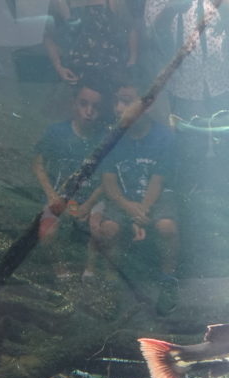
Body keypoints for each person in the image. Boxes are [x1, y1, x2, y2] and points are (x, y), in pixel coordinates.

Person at [145, 0, 229, 190]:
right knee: (190, 146)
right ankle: (193, 196)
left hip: (226, 77)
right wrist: (170, 9)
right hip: (184, 82)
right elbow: (152, 29)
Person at [99, 73, 179, 315]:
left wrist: (141, 211)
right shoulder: (111, 136)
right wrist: (129, 208)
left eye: (126, 101)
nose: (119, 108)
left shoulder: (164, 136)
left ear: (146, 105)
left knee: (166, 226)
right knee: (109, 229)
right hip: (122, 197)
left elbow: (158, 179)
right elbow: (108, 181)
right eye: (116, 101)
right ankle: (110, 285)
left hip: (155, 197)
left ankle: (168, 280)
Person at [32, 77, 106, 281]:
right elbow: (38, 165)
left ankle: (90, 271)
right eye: (83, 104)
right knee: (47, 232)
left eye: (95, 107)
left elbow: (107, 180)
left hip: (92, 198)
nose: (89, 111)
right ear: (74, 103)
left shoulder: (105, 138)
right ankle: (59, 267)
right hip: (59, 195)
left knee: (97, 229)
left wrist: (89, 205)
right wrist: (52, 195)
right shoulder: (56, 132)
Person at [44, 0, 138, 85]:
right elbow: (48, 36)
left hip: (111, 73)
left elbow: (131, 29)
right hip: (76, 74)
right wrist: (58, 67)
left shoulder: (114, 2)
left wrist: (132, 61)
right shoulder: (59, 3)